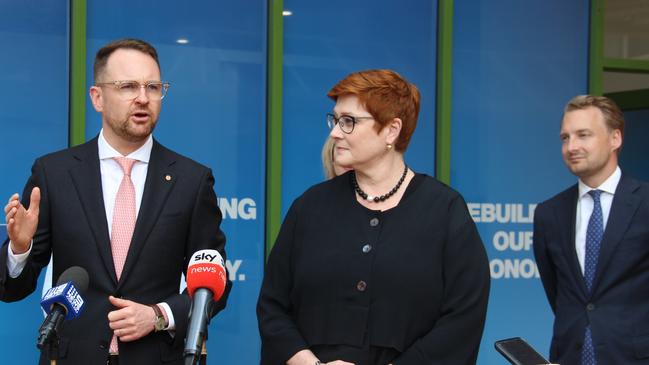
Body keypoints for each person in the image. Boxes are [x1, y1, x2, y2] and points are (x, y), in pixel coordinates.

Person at [1, 38, 231, 365]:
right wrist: (20, 250)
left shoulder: (192, 181)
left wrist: (159, 315)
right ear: (97, 98)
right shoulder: (54, 173)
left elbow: (214, 280)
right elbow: (12, 289)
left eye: (153, 87)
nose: (142, 98)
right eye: (128, 86)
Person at [257, 69, 490, 365]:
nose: (335, 132)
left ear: (391, 130)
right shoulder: (309, 207)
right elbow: (272, 307)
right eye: (335, 119)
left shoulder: (445, 211)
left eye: (349, 122)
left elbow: (463, 320)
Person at [533, 95, 649, 364]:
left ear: (615, 139)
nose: (571, 146)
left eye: (583, 135)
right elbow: (559, 294)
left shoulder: (645, 203)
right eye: (565, 137)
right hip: (570, 356)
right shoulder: (549, 214)